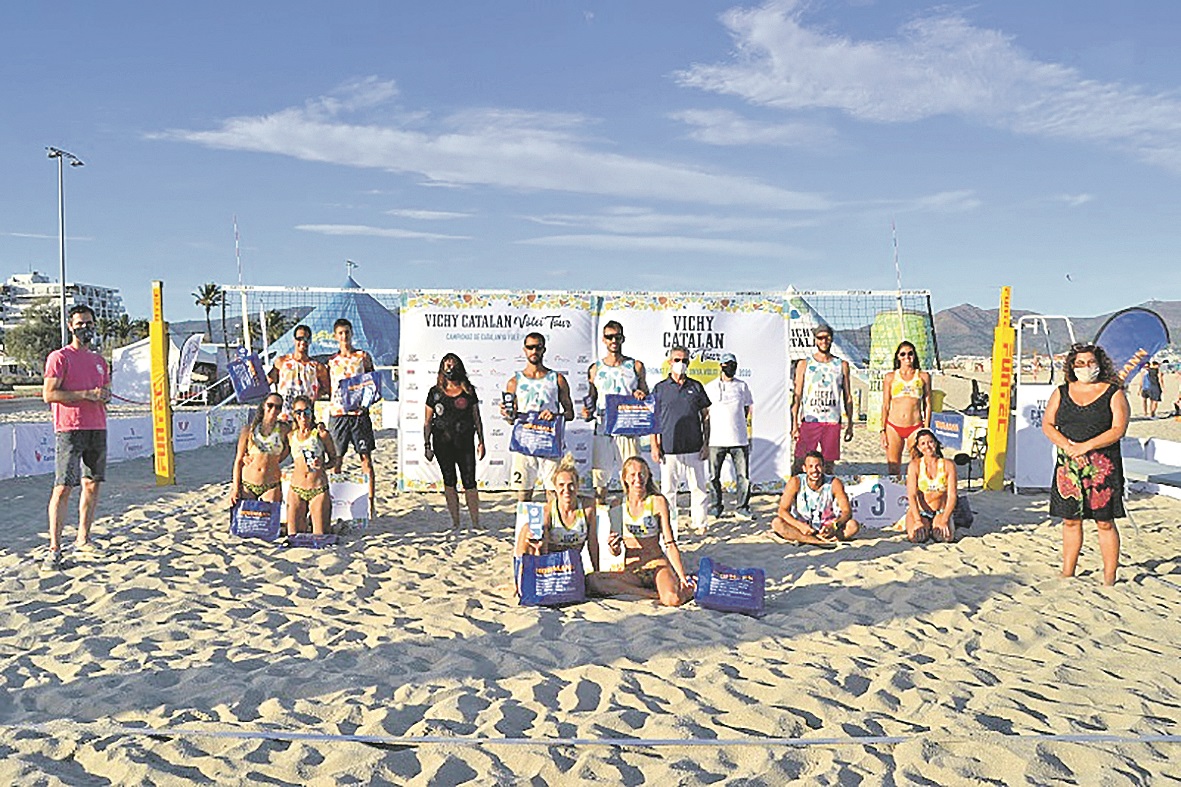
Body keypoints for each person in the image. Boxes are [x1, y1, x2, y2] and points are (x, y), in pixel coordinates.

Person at [1042, 343, 1129, 585]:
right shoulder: (1061, 392)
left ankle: (1109, 577)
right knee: (1070, 520)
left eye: (1090, 362)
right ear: (1072, 366)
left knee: (1105, 521)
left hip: (1103, 466)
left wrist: (1086, 446)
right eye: (1080, 363)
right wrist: (1070, 447)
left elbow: (1118, 429)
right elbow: (1048, 424)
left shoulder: (1113, 392)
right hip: (1069, 466)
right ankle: (1068, 571)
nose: (1085, 367)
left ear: (1100, 364)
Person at [42, 305, 111, 571]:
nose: (85, 328)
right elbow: (49, 394)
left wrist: (103, 395)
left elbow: (105, 392)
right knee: (63, 487)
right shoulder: (59, 357)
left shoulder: (99, 361)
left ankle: (83, 538)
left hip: (97, 428)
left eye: (89, 323)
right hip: (70, 429)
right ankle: (54, 549)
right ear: (70, 326)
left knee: (92, 485)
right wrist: (86, 394)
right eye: (80, 323)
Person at [588, 456, 694, 606]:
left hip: (657, 565)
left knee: (673, 599)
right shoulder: (617, 505)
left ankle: (670, 590)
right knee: (593, 580)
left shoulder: (657, 501)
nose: (638, 479)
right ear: (625, 478)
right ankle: (651, 595)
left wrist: (682, 577)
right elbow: (616, 552)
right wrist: (613, 547)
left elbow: (670, 543)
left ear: (648, 476)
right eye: (632, 475)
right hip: (633, 570)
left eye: (641, 474)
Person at [501, 332, 575, 502]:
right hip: (524, 444)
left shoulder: (557, 379)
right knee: (523, 494)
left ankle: (553, 520)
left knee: (553, 493)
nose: (534, 351)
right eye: (530, 347)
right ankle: (524, 521)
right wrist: (507, 414)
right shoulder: (514, 382)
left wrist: (555, 415)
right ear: (524, 350)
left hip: (549, 443)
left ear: (543, 349)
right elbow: (511, 419)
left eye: (538, 347)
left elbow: (570, 414)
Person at [584, 320, 649, 502]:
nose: (613, 340)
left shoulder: (635, 366)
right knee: (600, 479)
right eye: (609, 337)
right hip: (603, 429)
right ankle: (600, 512)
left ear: (623, 339)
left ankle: (633, 510)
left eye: (617, 337)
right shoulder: (595, 369)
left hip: (627, 430)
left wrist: (640, 394)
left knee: (633, 476)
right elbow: (592, 398)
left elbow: (646, 395)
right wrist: (587, 411)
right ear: (603, 340)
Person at [652, 345, 711, 535]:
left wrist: (706, 443)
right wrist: (654, 445)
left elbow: (706, 416)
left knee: (699, 488)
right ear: (670, 362)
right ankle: (669, 525)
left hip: (694, 446)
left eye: (685, 360)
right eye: (677, 360)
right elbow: (654, 419)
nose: (681, 363)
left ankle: (700, 523)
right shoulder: (660, 388)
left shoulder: (696, 386)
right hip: (669, 448)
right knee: (668, 491)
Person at [424, 354, 486, 530]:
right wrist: (427, 445)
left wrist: (481, 441)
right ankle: (456, 522)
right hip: (442, 442)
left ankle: (475, 522)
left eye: (453, 365)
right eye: (447, 365)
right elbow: (427, 421)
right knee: (449, 481)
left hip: (465, 442)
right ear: (442, 368)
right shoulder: (435, 392)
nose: (450, 368)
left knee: (469, 481)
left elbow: (476, 417)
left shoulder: (468, 390)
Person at [327, 318, 377, 515]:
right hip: (338, 415)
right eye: (340, 333)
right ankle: (335, 503)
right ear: (335, 336)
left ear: (351, 333)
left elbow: (373, 383)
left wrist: (366, 403)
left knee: (366, 459)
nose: (344, 336)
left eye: (347, 332)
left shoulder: (362, 357)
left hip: (358, 415)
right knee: (336, 460)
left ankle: (371, 504)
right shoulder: (331, 361)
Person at [792, 324, 853, 474]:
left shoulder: (841, 365)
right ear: (815, 340)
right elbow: (797, 395)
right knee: (800, 460)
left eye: (827, 337)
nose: (824, 341)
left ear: (831, 339)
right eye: (820, 338)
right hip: (811, 419)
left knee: (828, 464)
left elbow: (847, 396)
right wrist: (794, 424)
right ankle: (795, 488)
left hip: (832, 421)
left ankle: (825, 488)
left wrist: (850, 423)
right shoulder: (804, 364)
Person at [770, 450, 860, 546]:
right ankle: (815, 541)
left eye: (818, 466)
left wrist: (834, 525)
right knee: (777, 523)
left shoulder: (834, 483)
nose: (814, 470)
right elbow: (782, 510)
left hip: (826, 526)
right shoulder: (796, 482)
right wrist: (800, 526)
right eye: (810, 466)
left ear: (823, 467)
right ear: (804, 468)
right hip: (802, 526)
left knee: (853, 526)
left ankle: (814, 539)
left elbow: (847, 511)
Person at [704, 352, 754, 520]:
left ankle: (742, 508)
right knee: (713, 477)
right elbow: (705, 412)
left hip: (739, 439)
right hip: (716, 440)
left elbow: (746, 408)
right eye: (727, 364)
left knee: (743, 477)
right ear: (721, 366)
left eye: (733, 365)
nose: (731, 368)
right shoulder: (710, 387)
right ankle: (716, 507)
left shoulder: (742, 386)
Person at [285, 395, 339, 537]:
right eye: (298, 412)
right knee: (293, 536)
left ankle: (325, 525)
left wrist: (323, 465)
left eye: (306, 412)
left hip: (318, 489)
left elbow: (334, 459)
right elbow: (276, 456)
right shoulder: (291, 435)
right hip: (296, 489)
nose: (303, 416)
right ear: (294, 414)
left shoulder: (321, 434)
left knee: (320, 536)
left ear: (312, 412)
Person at [228, 392, 291, 507]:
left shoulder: (284, 430)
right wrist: (235, 488)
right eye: (270, 405)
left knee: (270, 517)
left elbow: (295, 443)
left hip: (271, 485)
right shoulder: (249, 430)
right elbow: (238, 461)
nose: (273, 410)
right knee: (247, 518)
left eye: (278, 407)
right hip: (248, 484)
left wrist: (276, 459)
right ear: (263, 406)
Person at [880, 341, 933, 477]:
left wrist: (926, 428)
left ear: (914, 355)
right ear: (898, 357)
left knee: (917, 465)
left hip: (915, 426)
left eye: (910, 353)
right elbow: (885, 405)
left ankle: (915, 489)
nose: (907, 357)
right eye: (903, 354)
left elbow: (927, 403)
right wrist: (882, 430)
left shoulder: (923, 376)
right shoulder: (890, 377)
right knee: (893, 467)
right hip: (893, 426)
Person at [900, 429, 958, 543]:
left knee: (945, 538)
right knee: (916, 537)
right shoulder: (915, 465)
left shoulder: (948, 465)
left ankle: (937, 525)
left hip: (940, 511)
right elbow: (912, 495)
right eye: (923, 443)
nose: (927, 446)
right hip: (920, 511)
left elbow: (952, 496)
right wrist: (917, 520)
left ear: (936, 443)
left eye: (930, 442)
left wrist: (945, 519)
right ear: (918, 448)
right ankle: (924, 525)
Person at [267, 323, 330, 421]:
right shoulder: (282, 362)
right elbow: (267, 381)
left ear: (310, 341)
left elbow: (327, 387)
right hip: (284, 417)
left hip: (305, 418)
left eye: (306, 339)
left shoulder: (317, 367)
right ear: (294, 340)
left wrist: (314, 397)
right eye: (299, 338)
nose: (303, 342)